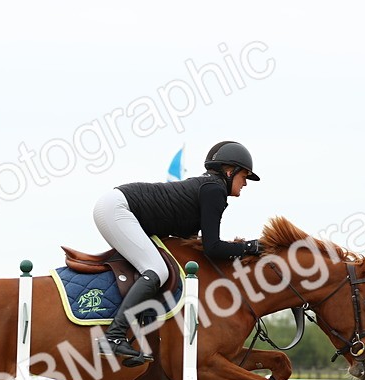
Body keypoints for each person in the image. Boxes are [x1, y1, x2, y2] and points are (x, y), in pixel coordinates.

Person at [93, 140, 264, 365]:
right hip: (119, 209)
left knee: (159, 268)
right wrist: (248, 247)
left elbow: (195, 244)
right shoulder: (215, 190)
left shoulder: (207, 188)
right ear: (230, 171)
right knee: (156, 270)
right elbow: (212, 247)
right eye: (245, 176)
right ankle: (113, 337)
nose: (245, 183)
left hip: (117, 206)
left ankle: (138, 337)